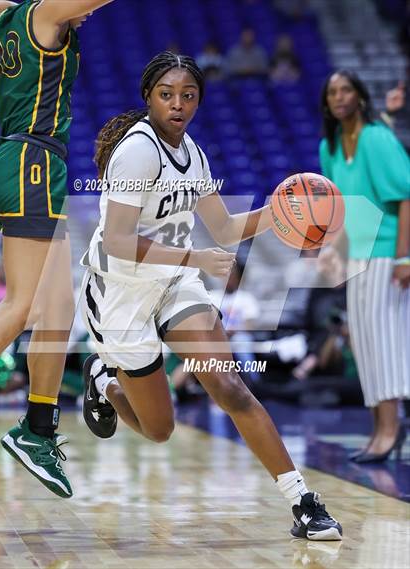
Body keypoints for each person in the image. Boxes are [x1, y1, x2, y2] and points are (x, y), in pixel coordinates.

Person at [80, 51, 342, 541]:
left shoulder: (194, 154)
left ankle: (303, 502)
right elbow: (117, 241)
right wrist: (195, 259)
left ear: (198, 100)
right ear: (149, 98)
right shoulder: (137, 151)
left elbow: (221, 226)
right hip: (121, 291)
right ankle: (104, 380)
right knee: (159, 429)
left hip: (176, 283)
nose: (178, 104)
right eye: (166, 95)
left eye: (188, 95)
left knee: (230, 387)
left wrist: (280, 210)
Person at [0, 0, 115, 499]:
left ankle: (37, 428)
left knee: (58, 308)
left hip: (33, 163)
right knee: (21, 306)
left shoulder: (7, 16)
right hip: (31, 162)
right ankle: (36, 427)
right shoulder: (40, 14)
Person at [318, 70, 410, 463]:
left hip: (388, 254)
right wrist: (332, 252)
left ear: (360, 96)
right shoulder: (330, 146)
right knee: (365, 346)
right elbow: (341, 212)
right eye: (333, 92)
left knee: (386, 342)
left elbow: (407, 197)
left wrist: (406, 257)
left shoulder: (377, 138)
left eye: (346, 90)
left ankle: (391, 427)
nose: (339, 97)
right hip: (357, 256)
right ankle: (379, 430)